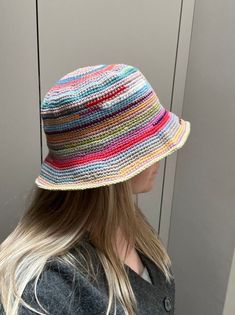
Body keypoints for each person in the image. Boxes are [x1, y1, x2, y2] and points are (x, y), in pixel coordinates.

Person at [0, 63, 191, 315]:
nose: (161, 156)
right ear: (113, 166)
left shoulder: (131, 226)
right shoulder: (44, 292)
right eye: (147, 147)